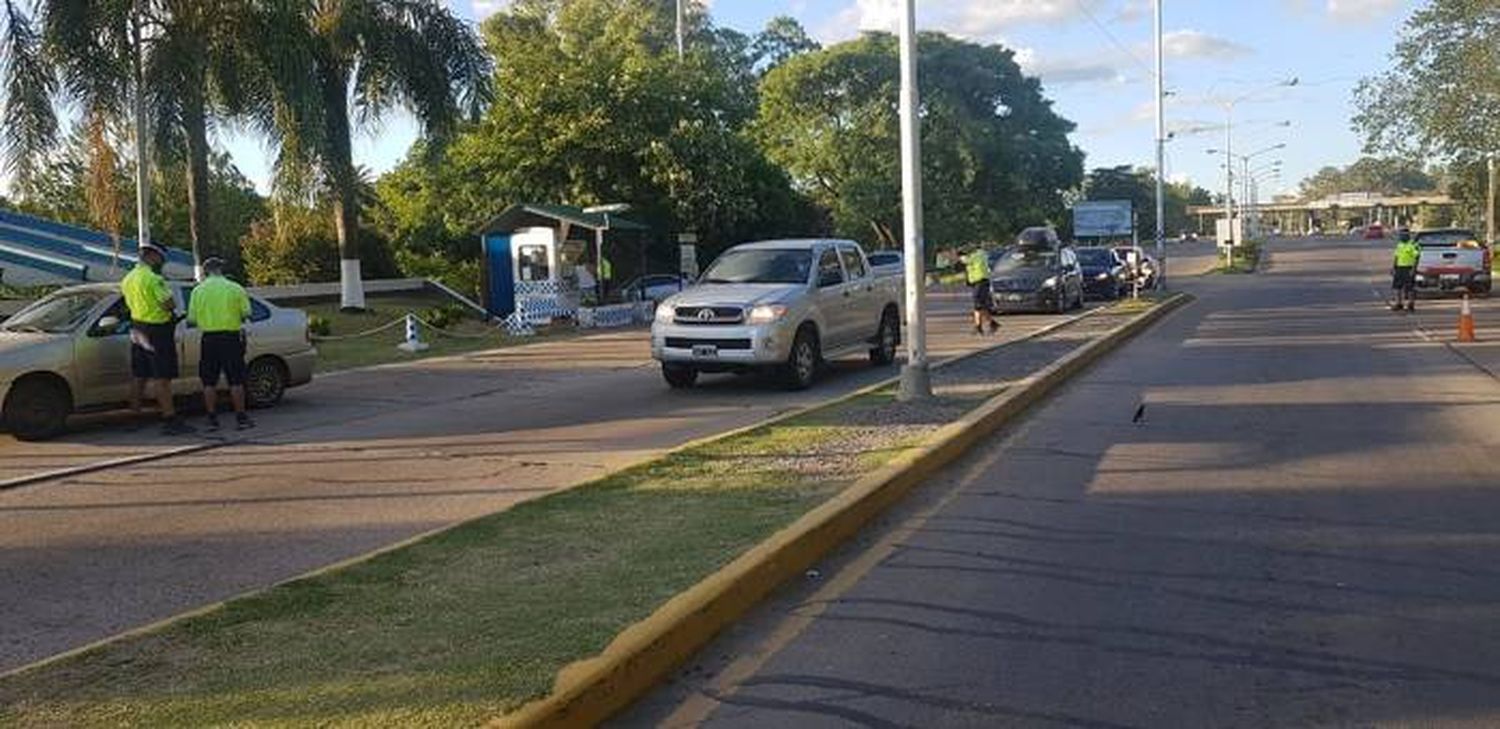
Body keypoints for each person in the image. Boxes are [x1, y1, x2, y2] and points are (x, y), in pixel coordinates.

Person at [122, 243, 193, 434]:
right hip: (157, 331)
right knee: (162, 376)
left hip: (137, 328)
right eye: (161, 258)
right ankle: (169, 419)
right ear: (152, 256)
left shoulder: (128, 279)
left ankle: (133, 417)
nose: (162, 262)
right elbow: (168, 304)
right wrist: (172, 309)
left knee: (139, 375)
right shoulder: (154, 279)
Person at [187, 257, 255, 431]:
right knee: (235, 379)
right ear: (221, 270)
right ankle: (240, 417)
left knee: (209, 381)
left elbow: (192, 319)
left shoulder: (197, 291)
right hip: (231, 337)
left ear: (205, 272)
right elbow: (247, 312)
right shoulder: (235, 288)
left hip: (209, 338)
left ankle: (211, 418)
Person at [963, 246, 998, 335]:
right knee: (980, 305)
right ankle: (987, 324)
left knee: (978, 305)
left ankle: (980, 326)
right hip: (977, 282)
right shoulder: (977, 255)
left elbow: (966, 260)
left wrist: (959, 256)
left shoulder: (978, 255)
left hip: (981, 282)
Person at [1391, 230, 1421, 312]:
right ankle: (1399, 303)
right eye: (1401, 235)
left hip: (1409, 267)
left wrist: (1413, 269)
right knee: (1397, 287)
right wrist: (1394, 267)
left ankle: (1411, 304)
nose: (1401, 237)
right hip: (1399, 268)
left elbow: (1417, 257)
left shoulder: (1413, 245)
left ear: (1408, 236)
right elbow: (1396, 256)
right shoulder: (1399, 245)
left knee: (1410, 287)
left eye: (1404, 235)